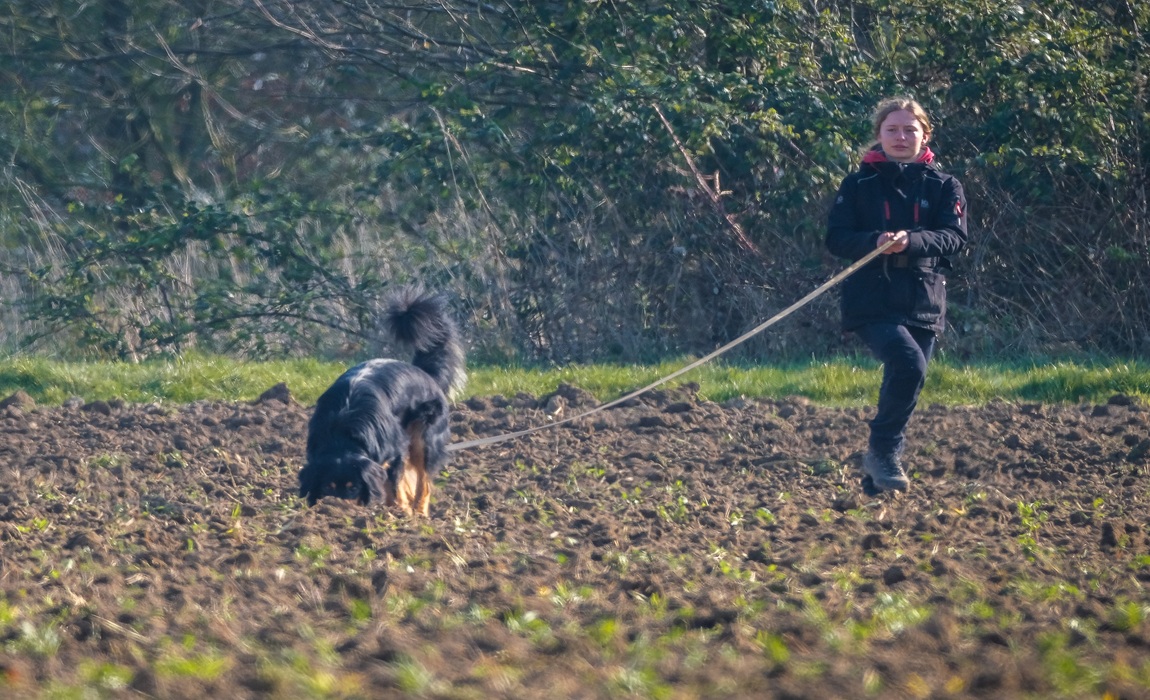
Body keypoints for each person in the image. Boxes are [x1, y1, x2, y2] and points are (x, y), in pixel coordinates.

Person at [826, 97, 967, 493]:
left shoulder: (945, 185)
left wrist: (911, 241)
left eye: (909, 130)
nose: (901, 137)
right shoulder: (857, 185)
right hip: (871, 296)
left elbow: (955, 237)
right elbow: (837, 238)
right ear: (880, 135)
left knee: (909, 376)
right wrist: (875, 240)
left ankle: (877, 473)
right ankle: (884, 453)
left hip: (924, 297)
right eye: (892, 130)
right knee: (908, 363)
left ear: (925, 135)